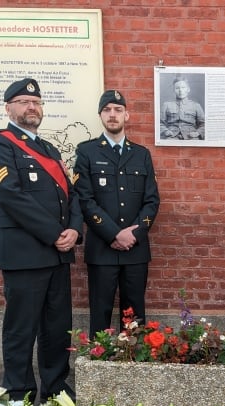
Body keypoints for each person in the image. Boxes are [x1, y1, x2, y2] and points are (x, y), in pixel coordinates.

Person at [0, 78, 82, 402]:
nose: (31, 107)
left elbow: (72, 194)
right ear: (8, 107)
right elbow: (11, 196)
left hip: (57, 256)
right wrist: (55, 234)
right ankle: (19, 397)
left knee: (56, 330)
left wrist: (75, 230)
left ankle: (55, 393)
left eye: (35, 102)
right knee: (21, 330)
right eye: (23, 102)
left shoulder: (49, 149)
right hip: (25, 255)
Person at [73, 90, 160, 334]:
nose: (113, 115)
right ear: (100, 115)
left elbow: (152, 200)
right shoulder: (86, 152)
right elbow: (85, 199)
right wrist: (113, 234)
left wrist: (135, 233)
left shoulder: (141, 154)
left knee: (134, 318)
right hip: (102, 248)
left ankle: (130, 365)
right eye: (107, 110)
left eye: (118, 110)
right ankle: (99, 364)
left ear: (127, 115)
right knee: (99, 313)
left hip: (136, 248)